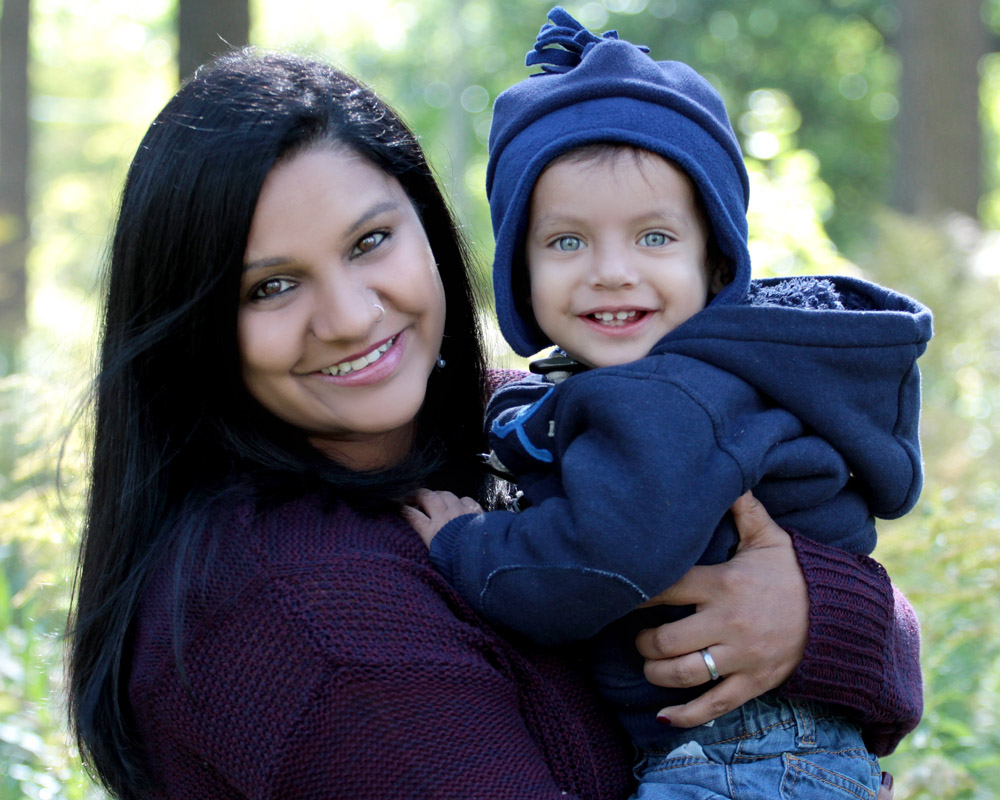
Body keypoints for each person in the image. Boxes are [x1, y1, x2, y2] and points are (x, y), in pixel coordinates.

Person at [65, 48, 914, 800]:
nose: (352, 317)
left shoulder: (515, 424)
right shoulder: (302, 608)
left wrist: (812, 618)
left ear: (430, 230)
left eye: (368, 243)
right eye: (272, 287)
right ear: (196, 330)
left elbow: (882, 656)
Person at [405, 8, 930, 800]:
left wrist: (465, 545)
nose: (612, 271)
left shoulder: (677, 396)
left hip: (742, 753)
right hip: (761, 748)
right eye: (567, 242)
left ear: (717, 264)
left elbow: (600, 556)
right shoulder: (657, 383)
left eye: (654, 238)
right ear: (519, 268)